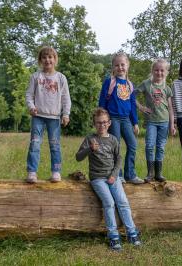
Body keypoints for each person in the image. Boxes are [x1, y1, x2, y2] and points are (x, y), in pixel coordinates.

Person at [75, 107, 141, 251]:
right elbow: (78, 157)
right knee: (109, 202)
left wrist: (114, 175)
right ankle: (113, 236)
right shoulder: (90, 139)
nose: (102, 125)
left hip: (112, 176)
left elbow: (119, 158)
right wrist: (89, 149)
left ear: (109, 123)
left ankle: (131, 232)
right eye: (99, 123)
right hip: (98, 178)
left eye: (104, 122)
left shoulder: (113, 140)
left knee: (122, 202)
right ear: (94, 124)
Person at [25, 46, 71, 183]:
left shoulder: (61, 78)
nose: (47, 60)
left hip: (54, 117)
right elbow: (29, 95)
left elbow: (66, 98)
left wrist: (66, 114)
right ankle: (32, 172)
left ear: (55, 60)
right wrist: (31, 107)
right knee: (35, 144)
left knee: (55, 145)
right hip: (38, 116)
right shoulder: (35, 77)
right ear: (40, 60)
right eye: (44, 57)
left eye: (50, 57)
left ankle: (56, 171)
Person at [98, 52, 143, 184]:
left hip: (126, 119)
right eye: (116, 65)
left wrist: (135, 123)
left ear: (128, 65)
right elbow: (102, 102)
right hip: (113, 119)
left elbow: (132, 105)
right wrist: (103, 120)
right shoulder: (109, 82)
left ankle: (130, 174)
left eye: (123, 64)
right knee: (115, 147)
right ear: (113, 67)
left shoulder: (130, 85)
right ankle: (118, 175)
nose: (120, 67)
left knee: (133, 145)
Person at [136, 58, 176, 183]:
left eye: (162, 70)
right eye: (156, 70)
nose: (159, 73)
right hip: (151, 121)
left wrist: (172, 124)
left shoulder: (167, 88)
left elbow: (170, 108)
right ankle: (150, 173)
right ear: (152, 71)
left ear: (166, 72)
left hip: (164, 122)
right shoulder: (146, 84)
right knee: (149, 146)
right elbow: (132, 95)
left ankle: (158, 173)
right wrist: (141, 107)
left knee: (160, 147)